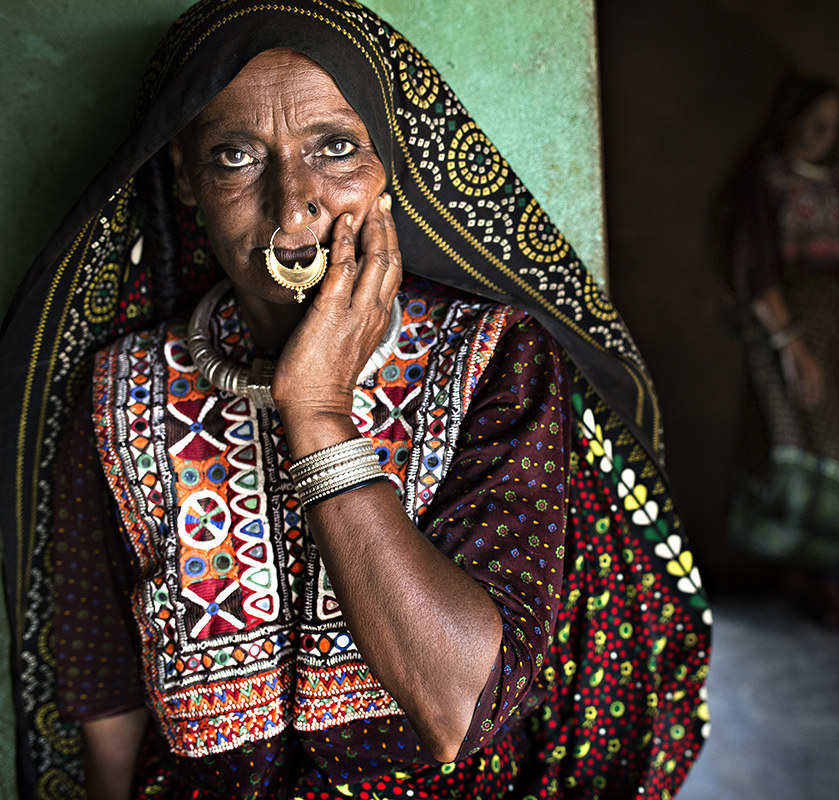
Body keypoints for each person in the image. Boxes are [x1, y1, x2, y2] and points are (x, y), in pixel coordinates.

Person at [0, 2, 710, 798]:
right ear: (185, 180)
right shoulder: (117, 388)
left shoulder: (496, 360)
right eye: (236, 156)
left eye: (335, 149)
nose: (292, 203)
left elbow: (455, 706)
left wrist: (319, 415)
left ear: (387, 169)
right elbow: (107, 685)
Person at [719, 76, 839, 623]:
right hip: (780, 321)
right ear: (792, 118)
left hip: (830, 323)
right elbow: (755, 273)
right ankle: (805, 575)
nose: (823, 135)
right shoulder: (764, 182)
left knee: (836, 446)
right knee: (794, 442)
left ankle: (816, 572)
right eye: (814, 122)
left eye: (833, 126)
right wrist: (790, 346)